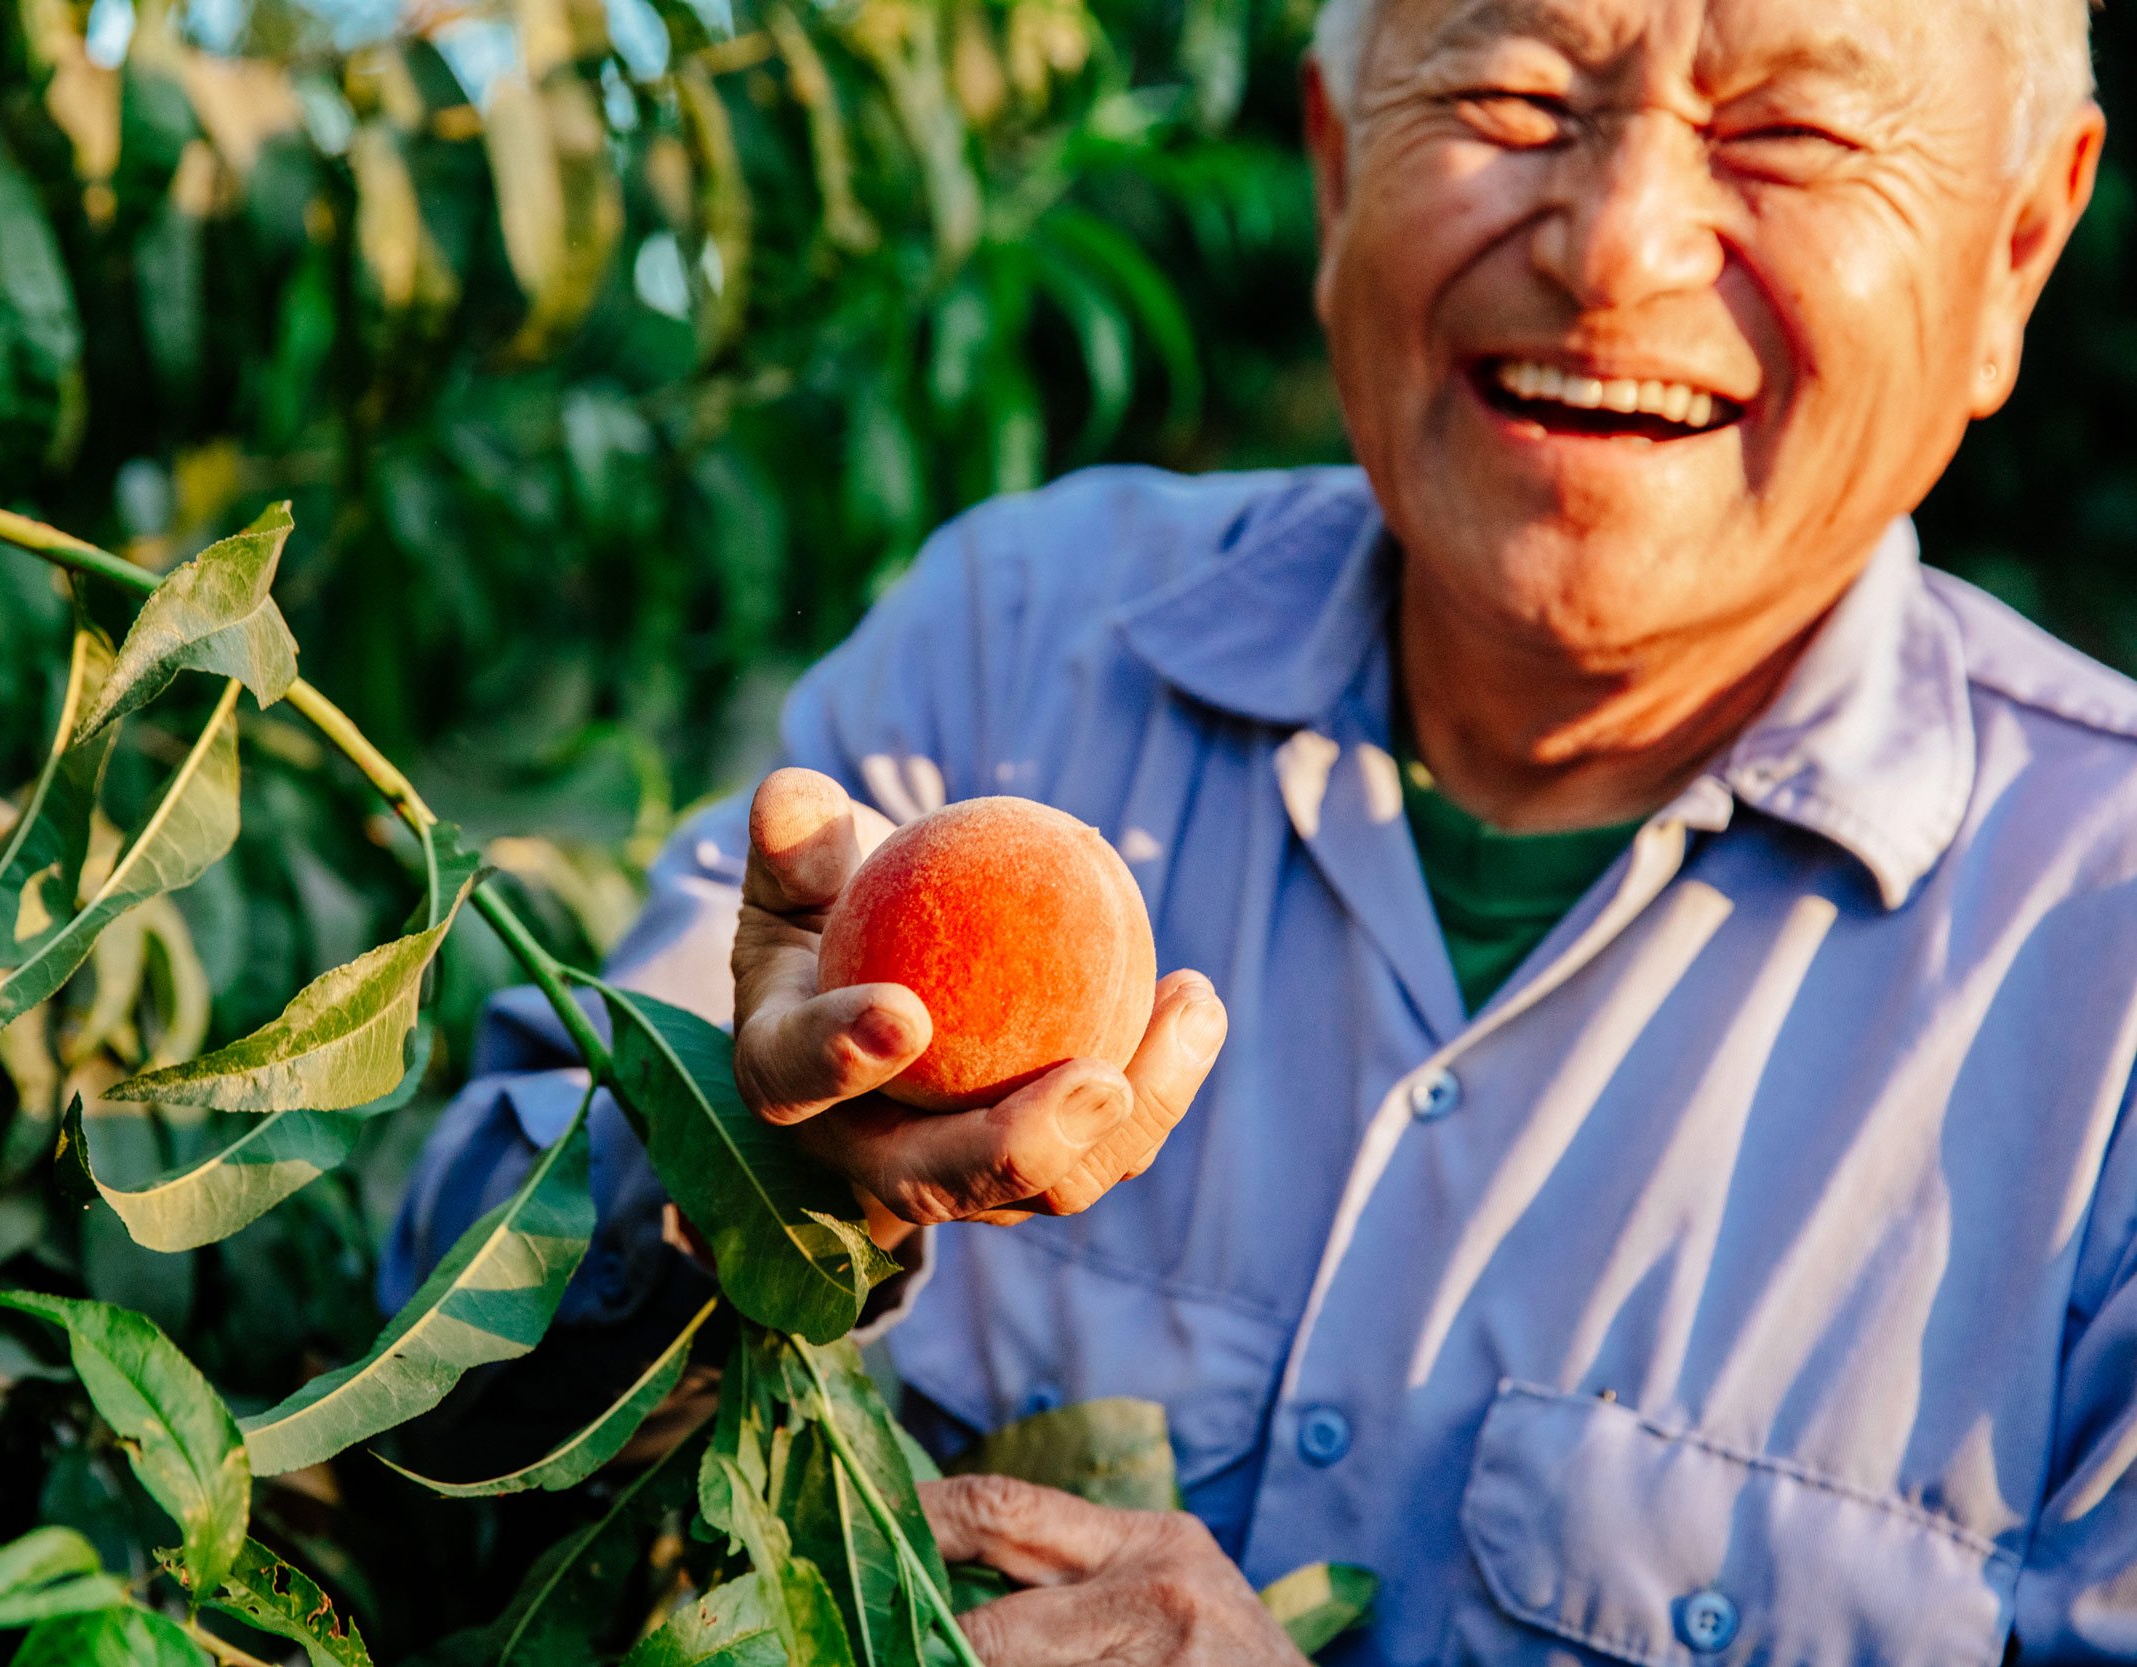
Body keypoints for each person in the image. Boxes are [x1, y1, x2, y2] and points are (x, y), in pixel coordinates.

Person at [389, 0, 2137, 1658]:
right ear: (1333, 165)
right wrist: (738, 1170)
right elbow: (437, 1349)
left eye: (1791, 132)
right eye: (1514, 99)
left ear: (2014, 252)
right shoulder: (1010, 649)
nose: (1615, 249)